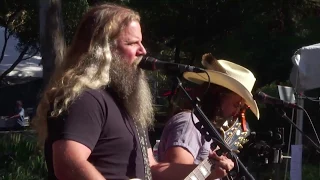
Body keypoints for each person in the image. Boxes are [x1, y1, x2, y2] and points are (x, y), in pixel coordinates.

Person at [32, 3, 234, 180]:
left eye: (141, 41)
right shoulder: (86, 98)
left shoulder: (129, 107)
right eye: (131, 43)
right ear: (102, 50)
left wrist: (206, 169)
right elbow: (68, 163)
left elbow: (153, 169)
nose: (143, 50)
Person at [157, 53, 260, 171]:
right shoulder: (189, 124)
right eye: (236, 104)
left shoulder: (203, 128)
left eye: (242, 107)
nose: (237, 111)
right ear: (219, 95)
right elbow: (175, 175)